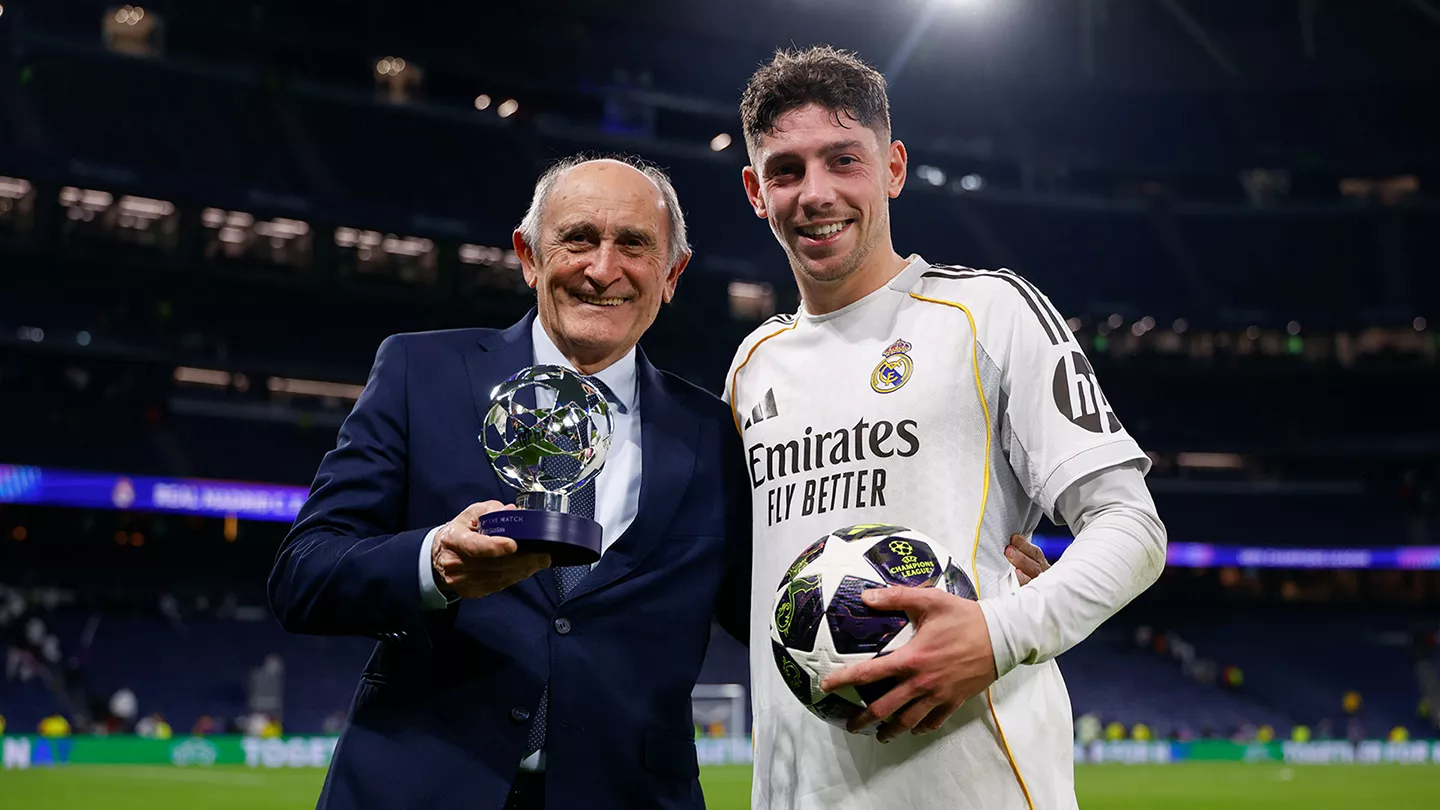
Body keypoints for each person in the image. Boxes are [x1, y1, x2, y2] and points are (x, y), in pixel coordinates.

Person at [725, 46, 1167, 810]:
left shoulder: (987, 313)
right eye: (786, 170)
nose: (815, 193)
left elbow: (1132, 525)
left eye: (843, 160)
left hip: (973, 785)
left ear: (893, 168)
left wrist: (999, 632)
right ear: (755, 192)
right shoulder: (751, 367)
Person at [268, 155, 753, 810]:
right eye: (579, 238)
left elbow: (767, 618)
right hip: (417, 790)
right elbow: (303, 573)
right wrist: (433, 562)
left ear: (672, 274)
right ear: (529, 256)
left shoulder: (718, 433)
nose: (603, 269)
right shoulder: (421, 373)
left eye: (634, 244)